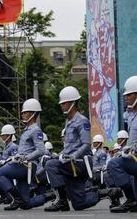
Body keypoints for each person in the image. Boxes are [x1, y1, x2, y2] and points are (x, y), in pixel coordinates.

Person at [44, 86, 121, 212]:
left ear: (73, 103)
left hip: (80, 163)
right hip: (71, 163)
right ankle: (109, 192)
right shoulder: (68, 121)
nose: (62, 105)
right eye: (61, 103)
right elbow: (69, 147)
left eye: (64, 103)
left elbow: (86, 144)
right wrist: (59, 155)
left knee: (51, 165)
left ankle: (62, 201)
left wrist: (73, 156)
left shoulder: (82, 121)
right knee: (79, 204)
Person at [0, 99, 54, 210]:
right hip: (23, 164)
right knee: (26, 204)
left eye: (25, 112)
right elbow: (23, 151)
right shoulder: (27, 130)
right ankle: (48, 196)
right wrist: (10, 159)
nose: (22, 114)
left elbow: (41, 150)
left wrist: (26, 158)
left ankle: (16, 198)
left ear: (33, 114)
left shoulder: (36, 130)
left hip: (26, 165)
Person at [107, 76, 137, 213]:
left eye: (129, 94)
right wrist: (127, 149)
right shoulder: (132, 115)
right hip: (134, 156)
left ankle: (130, 200)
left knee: (114, 163)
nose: (126, 97)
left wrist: (131, 149)